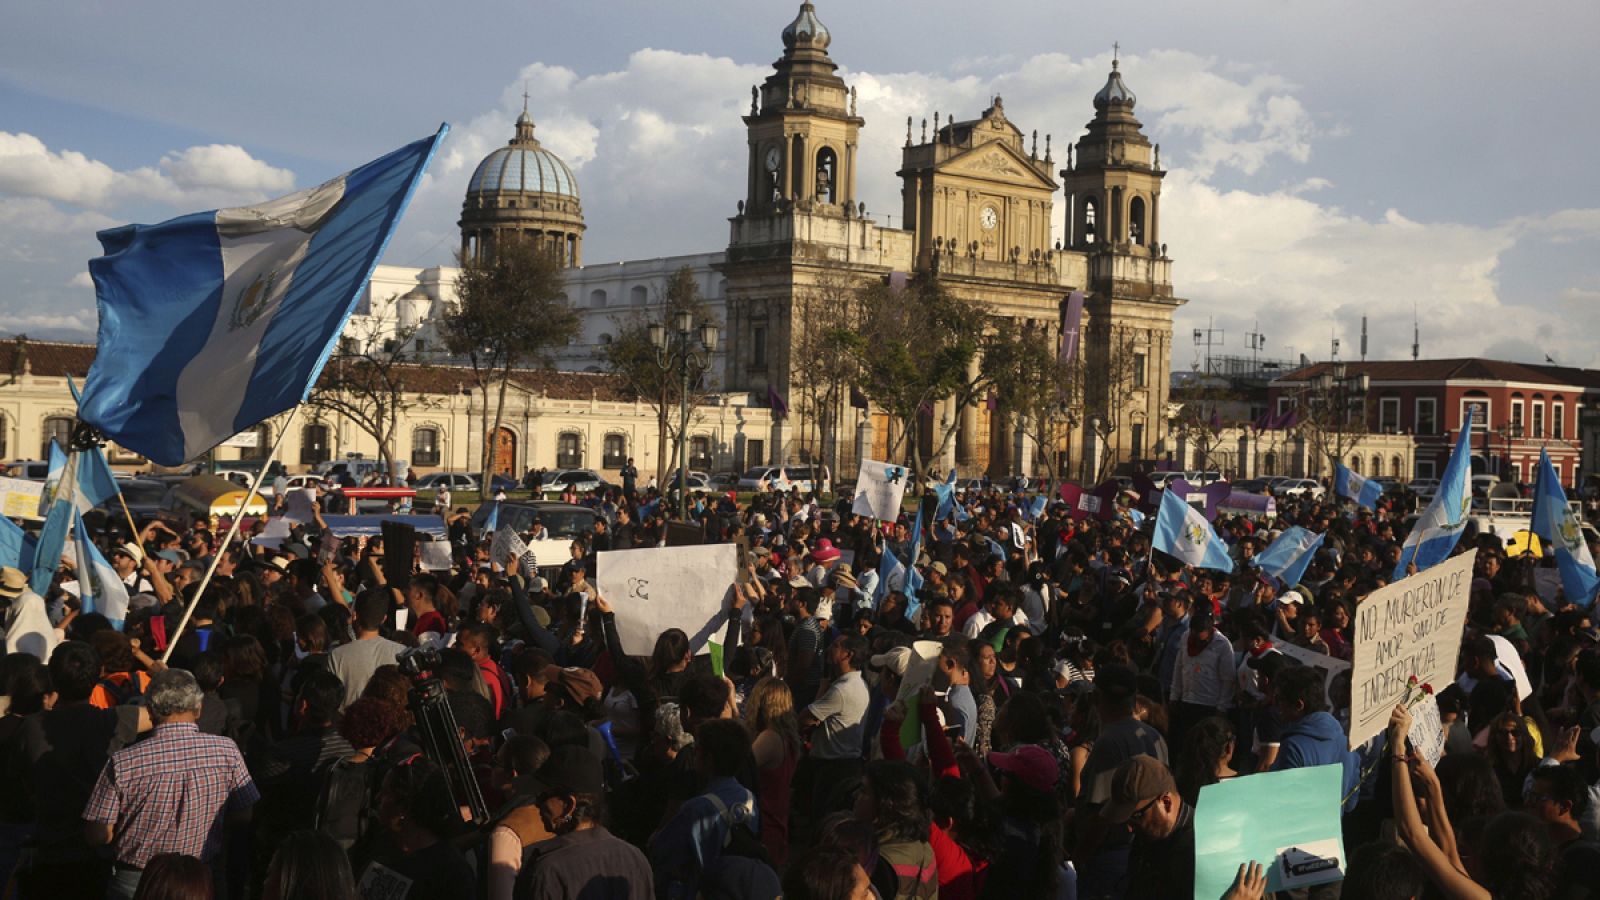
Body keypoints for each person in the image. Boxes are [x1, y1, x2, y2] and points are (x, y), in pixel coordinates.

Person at [84, 668, 259, 900]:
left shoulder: (123, 762)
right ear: (198, 709)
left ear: (151, 710)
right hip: (199, 878)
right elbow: (244, 814)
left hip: (137, 880)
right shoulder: (227, 751)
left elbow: (97, 833)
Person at [516, 746, 655, 899]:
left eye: (542, 796)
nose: (537, 805)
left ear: (568, 805)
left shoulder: (549, 871)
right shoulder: (635, 858)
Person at [1100, 755, 1194, 900]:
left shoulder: (1199, 851)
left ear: (1166, 802)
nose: (1130, 829)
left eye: (1136, 817)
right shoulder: (1146, 839)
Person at [802, 635, 870, 816]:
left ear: (848, 655)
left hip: (834, 769)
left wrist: (821, 689)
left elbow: (806, 717)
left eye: (836, 645)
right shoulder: (856, 683)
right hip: (843, 765)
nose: (830, 648)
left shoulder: (842, 689)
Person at [327, 589, 405, 710]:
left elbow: (331, 699)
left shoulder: (337, 655)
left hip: (350, 725)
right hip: (389, 725)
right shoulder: (400, 652)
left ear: (355, 615)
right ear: (383, 619)